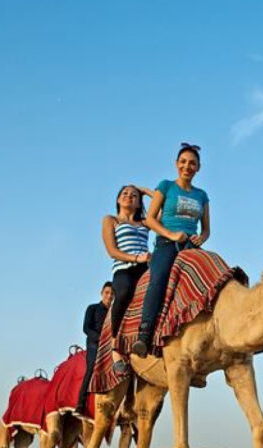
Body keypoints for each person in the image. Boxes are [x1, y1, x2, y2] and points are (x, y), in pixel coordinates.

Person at [132, 143, 210, 357]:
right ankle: (144, 334)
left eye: (192, 163)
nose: (187, 166)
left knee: (217, 275)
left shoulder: (202, 195)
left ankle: (233, 332)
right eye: (183, 162)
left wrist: (200, 238)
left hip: (191, 246)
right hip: (167, 244)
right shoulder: (166, 186)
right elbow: (149, 219)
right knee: (158, 279)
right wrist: (171, 234)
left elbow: (206, 230)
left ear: (198, 168)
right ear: (177, 164)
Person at [101, 184, 153, 376]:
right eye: (124, 193)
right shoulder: (111, 220)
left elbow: (163, 204)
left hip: (146, 267)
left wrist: (144, 190)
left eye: (133, 195)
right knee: (123, 292)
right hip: (124, 268)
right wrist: (136, 258)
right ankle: (115, 348)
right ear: (117, 199)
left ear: (140, 202)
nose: (129, 196)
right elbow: (111, 251)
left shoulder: (146, 222)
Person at [75, 282, 113, 414]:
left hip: (110, 345)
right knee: (91, 368)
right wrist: (101, 338)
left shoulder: (114, 312)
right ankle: (80, 404)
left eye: (112, 294)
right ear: (101, 293)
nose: (109, 296)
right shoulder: (92, 308)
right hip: (94, 344)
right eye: (107, 293)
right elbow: (86, 328)